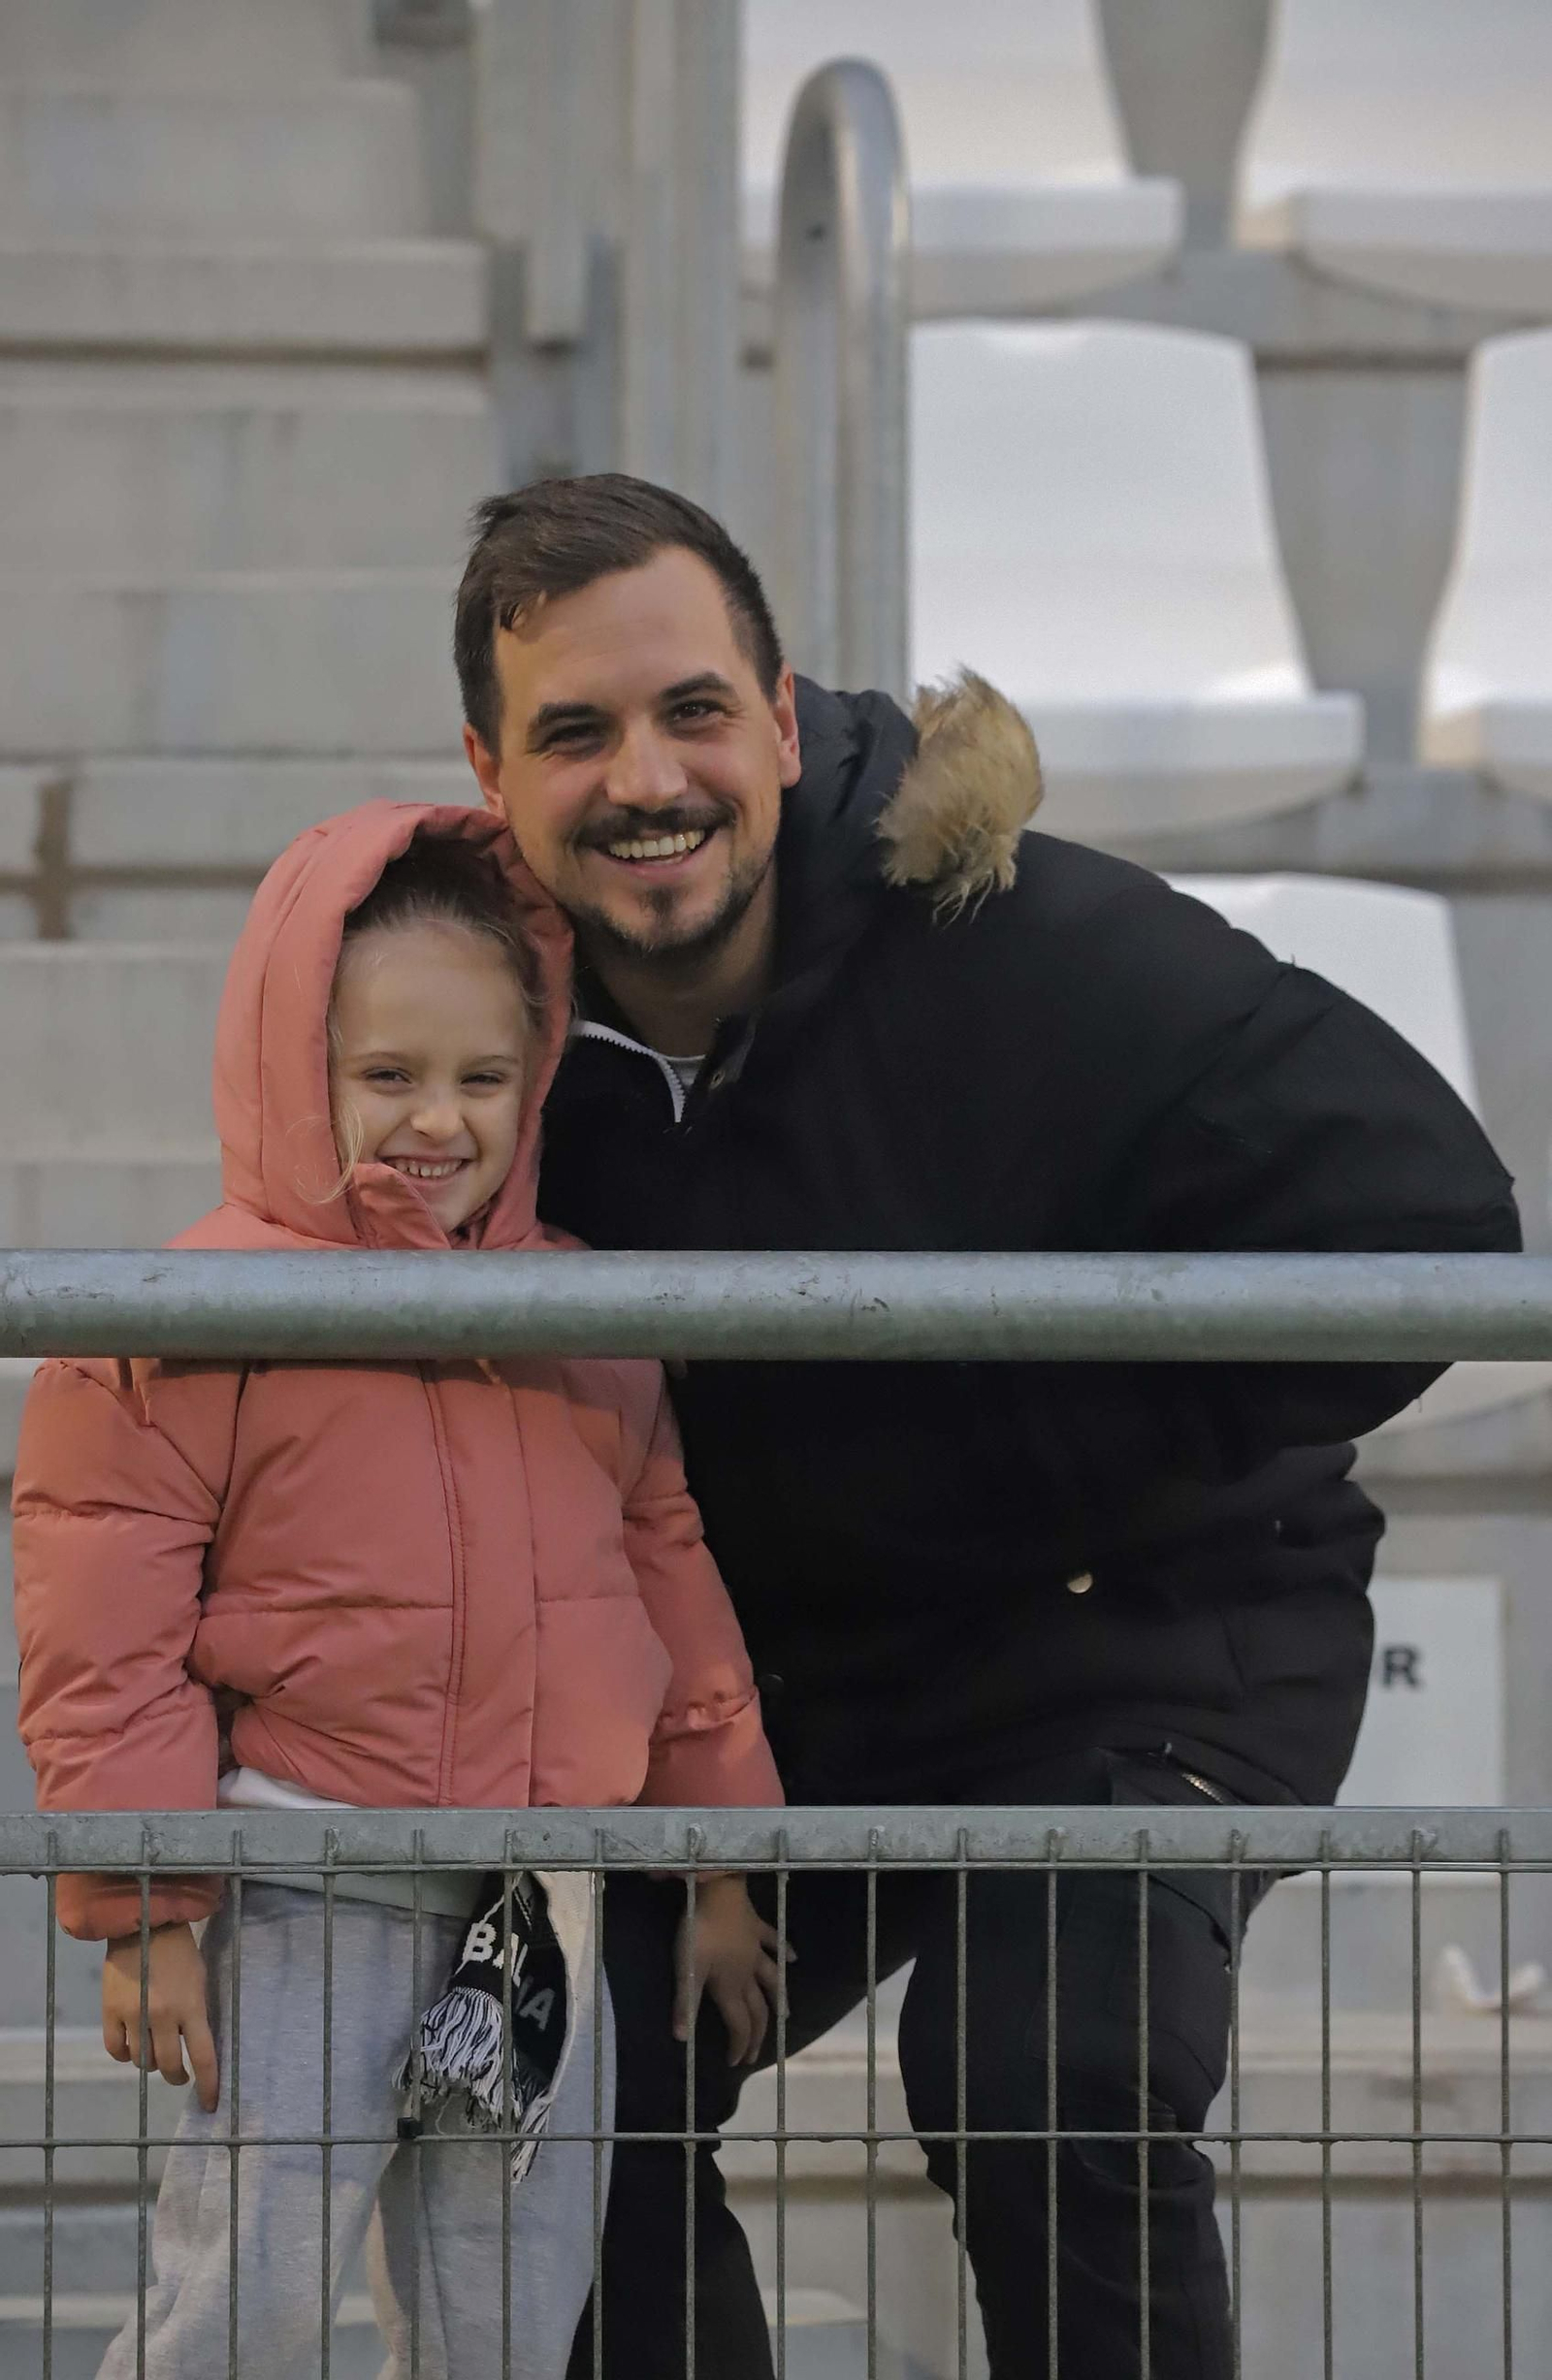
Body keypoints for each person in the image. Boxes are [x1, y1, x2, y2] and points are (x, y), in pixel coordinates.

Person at [451, 472, 1525, 2380]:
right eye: (575, 732)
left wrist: (1041, 1460)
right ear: (490, 768)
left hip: (1146, 1624)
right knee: (550, 2060)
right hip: (797, 1677)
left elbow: (1429, 1222)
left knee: (1042, 2067)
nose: (646, 776)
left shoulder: (1018, 937)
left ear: (780, 724)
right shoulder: (481, 1030)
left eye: (693, 710)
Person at [11, 805, 784, 2380]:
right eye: (388, 1078)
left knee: (509, 2306)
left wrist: (717, 1865)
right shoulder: (196, 1310)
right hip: (311, 1883)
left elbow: (667, 1589)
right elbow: (106, 1631)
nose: (439, 1120)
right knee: (251, 2293)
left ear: (536, 1078)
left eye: (481, 1079)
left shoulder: (585, 1312)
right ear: (301, 1071)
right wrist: (147, 1902)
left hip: (536, 1907)